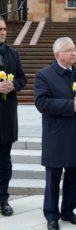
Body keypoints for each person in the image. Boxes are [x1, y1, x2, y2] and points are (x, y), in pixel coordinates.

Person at [34, 37, 76, 230]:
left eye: (75, 49)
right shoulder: (44, 75)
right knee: (53, 177)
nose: (74, 53)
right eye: (69, 50)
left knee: (74, 175)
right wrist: (70, 105)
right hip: (57, 135)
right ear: (57, 55)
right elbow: (41, 103)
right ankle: (52, 215)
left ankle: (68, 211)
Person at [0, 16, 27, 217]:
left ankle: (3, 199)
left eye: (4, 29)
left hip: (6, 118)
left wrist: (13, 85)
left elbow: (22, 78)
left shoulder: (12, 54)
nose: (3, 32)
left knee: (4, 161)